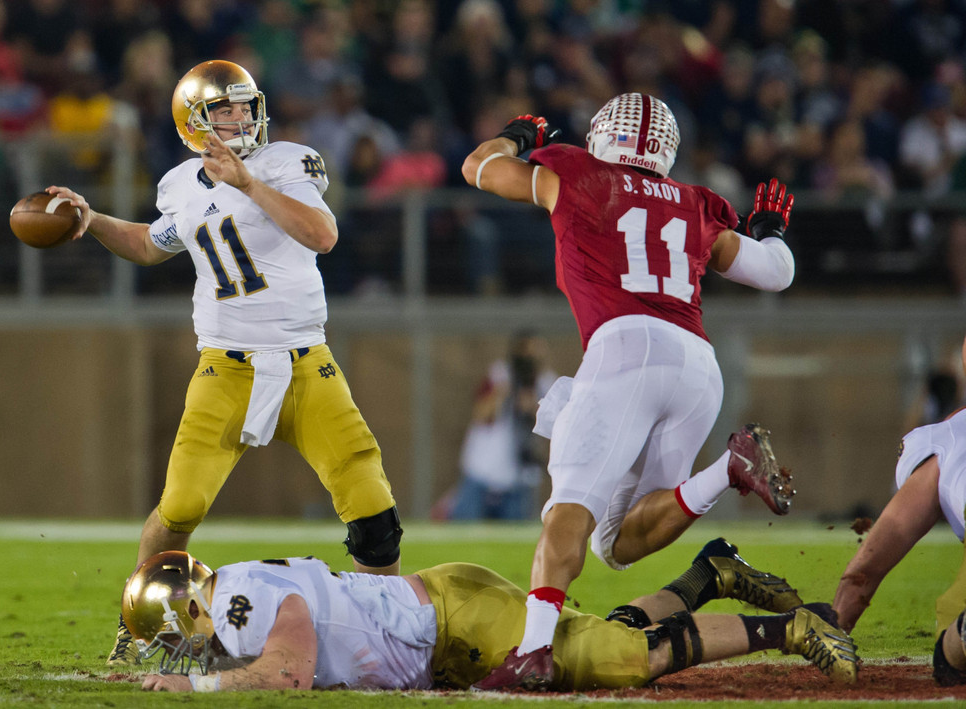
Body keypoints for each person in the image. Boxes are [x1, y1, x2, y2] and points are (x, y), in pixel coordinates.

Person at [46, 60, 404, 666]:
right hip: (226, 367)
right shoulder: (180, 184)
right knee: (180, 506)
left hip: (305, 364)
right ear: (193, 121)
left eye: (246, 106)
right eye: (224, 109)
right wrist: (95, 218)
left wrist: (246, 184)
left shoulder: (288, 162)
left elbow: (321, 235)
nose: (241, 118)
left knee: (372, 510)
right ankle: (139, 627)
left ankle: (391, 630)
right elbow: (152, 244)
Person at [460, 94, 798, 690]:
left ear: (600, 137)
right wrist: (767, 228)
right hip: (697, 366)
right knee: (615, 544)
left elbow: (477, 168)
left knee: (570, 507)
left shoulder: (578, 174)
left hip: (624, 349)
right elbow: (776, 272)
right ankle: (727, 469)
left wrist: (516, 135)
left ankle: (533, 651)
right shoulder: (697, 204)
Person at [122, 542, 858, 693]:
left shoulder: (235, 600)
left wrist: (196, 687)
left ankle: (796, 629)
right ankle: (710, 573)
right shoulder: (236, 585)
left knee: (627, 661)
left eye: (172, 632)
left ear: (189, 601)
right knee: (602, 638)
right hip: (447, 623)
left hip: (457, 621)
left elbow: (287, 672)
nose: (182, 647)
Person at [832, 335, 966, 686]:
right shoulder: (948, 441)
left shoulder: (945, 442)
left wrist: (832, 633)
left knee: (952, 659)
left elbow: (865, 570)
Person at [445, 332, 557, 520]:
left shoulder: (547, 382)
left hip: (520, 477)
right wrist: (503, 392)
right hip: (482, 470)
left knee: (515, 539)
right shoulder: (500, 374)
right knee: (463, 532)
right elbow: (480, 415)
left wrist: (534, 408)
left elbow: (556, 429)